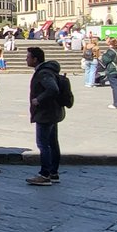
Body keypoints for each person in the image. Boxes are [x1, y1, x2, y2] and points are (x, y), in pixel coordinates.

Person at [26, 45, 66, 185]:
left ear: (35, 59)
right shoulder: (48, 70)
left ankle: (45, 174)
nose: (26, 59)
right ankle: (53, 173)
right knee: (52, 143)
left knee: (43, 144)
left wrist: (38, 99)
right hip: (53, 112)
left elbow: (52, 89)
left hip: (45, 113)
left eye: (28, 57)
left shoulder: (43, 73)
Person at [99, 39, 117, 109]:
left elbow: (105, 60)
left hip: (111, 70)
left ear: (111, 44)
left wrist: (104, 54)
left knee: (115, 87)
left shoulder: (110, 51)